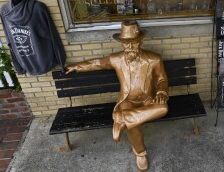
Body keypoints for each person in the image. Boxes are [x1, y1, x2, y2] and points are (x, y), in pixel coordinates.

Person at [65, 20, 168, 171]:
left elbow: (162, 79)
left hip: (148, 99)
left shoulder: (154, 59)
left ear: (140, 40)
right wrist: (76, 66)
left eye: (133, 42)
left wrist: (162, 91)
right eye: (126, 43)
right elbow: (97, 63)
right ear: (121, 43)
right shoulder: (117, 59)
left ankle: (122, 119)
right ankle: (140, 153)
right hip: (127, 100)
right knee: (134, 123)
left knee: (163, 108)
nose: (130, 47)